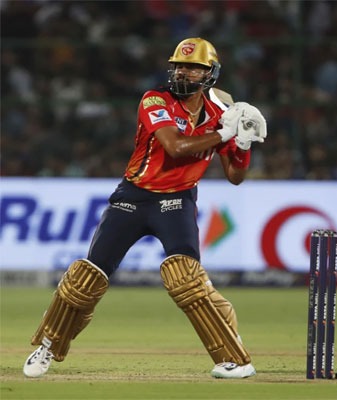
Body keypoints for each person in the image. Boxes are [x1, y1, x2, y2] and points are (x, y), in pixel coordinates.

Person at [23, 37, 267, 379]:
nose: (183, 72)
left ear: (209, 73)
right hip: (133, 197)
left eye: (193, 67)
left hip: (178, 200)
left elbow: (236, 177)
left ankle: (233, 358)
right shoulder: (155, 99)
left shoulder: (222, 111)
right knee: (86, 277)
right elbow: (175, 146)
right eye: (179, 66)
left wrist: (242, 143)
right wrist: (224, 134)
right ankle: (49, 345)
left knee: (187, 278)